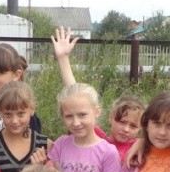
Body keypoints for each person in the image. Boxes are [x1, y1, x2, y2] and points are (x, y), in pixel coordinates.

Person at [51, 27, 144, 161]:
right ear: (111, 118)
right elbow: (76, 98)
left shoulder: (138, 146)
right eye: (122, 122)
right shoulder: (99, 140)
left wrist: (143, 141)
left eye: (133, 126)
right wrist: (63, 58)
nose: (126, 129)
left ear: (141, 128)